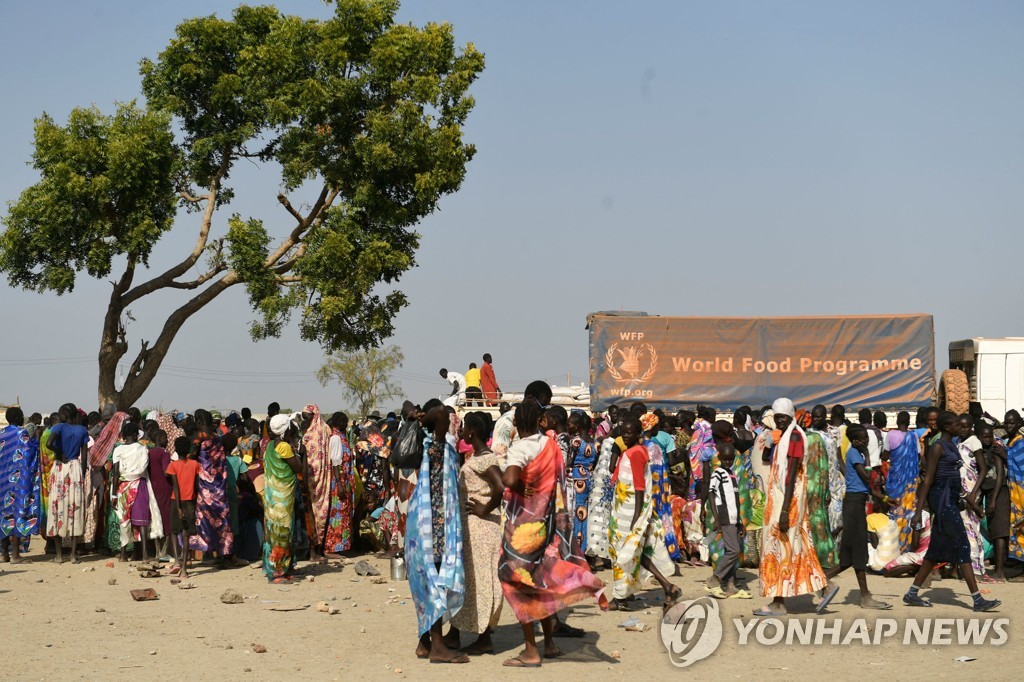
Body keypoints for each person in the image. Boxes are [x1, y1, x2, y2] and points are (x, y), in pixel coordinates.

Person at [498, 397, 607, 668]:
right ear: (540, 421)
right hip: (546, 523)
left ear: (516, 423)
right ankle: (550, 643)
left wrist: (507, 482)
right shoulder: (550, 444)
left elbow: (510, 480)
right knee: (540, 580)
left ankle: (530, 651)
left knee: (518, 582)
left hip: (523, 527)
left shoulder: (520, 449)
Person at [903, 411, 1000, 611]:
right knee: (963, 546)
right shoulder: (937, 447)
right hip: (942, 500)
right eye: (956, 424)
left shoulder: (951, 445)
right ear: (947, 427)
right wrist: (918, 511)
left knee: (935, 552)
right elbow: (928, 480)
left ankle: (912, 593)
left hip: (951, 499)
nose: (960, 427)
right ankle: (977, 599)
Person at [754, 398, 827, 617]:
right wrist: (772, 441)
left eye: (784, 418)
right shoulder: (783, 437)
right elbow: (768, 459)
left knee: (779, 547)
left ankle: (778, 602)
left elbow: (792, 474)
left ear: (792, 416)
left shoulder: (795, 437)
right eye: (777, 419)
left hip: (788, 501)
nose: (781, 422)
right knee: (795, 546)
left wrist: (785, 510)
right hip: (779, 499)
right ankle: (825, 587)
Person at [406, 404, 467, 664]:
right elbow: (441, 411)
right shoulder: (436, 446)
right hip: (435, 525)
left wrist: (416, 416)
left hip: (421, 522)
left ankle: (424, 643)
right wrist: (424, 416)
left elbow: (430, 412)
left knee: (424, 580)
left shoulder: (427, 446)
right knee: (435, 581)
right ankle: (439, 647)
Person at [608, 416, 681, 611]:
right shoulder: (629, 451)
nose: (625, 435)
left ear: (639, 434)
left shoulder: (637, 453)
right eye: (623, 432)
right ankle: (666, 588)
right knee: (633, 553)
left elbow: (640, 487)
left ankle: (621, 597)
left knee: (627, 553)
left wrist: (637, 516)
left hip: (631, 511)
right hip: (622, 511)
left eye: (629, 433)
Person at [818, 425, 892, 611]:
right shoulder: (854, 454)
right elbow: (867, 477)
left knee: (850, 555)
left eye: (866, 438)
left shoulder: (854, 454)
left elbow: (865, 487)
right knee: (857, 551)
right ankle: (864, 596)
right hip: (853, 505)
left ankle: (824, 579)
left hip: (856, 503)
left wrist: (883, 498)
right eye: (863, 439)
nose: (866, 442)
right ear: (855, 441)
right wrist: (868, 456)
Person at [449, 412, 504, 655]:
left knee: (481, 582)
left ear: (471, 432)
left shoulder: (485, 459)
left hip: (481, 528)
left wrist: (485, 508)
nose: (460, 432)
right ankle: (455, 632)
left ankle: (484, 637)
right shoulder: (478, 457)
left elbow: (500, 485)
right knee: (469, 581)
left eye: (463, 428)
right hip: (474, 528)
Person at [111, 421, 163, 562]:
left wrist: (114, 493)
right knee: (142, 521)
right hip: (139, 485)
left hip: (122, 487)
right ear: (135, 434)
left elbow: (115, 473)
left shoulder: (118, 450)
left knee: (124, 520)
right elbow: (143, 468)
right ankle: (145, 554)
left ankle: (123, 554)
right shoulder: (142, 449)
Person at [46, 403, 89, 563]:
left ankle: (58, 555)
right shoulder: (82, 430)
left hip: (60, 468)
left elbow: (49, 444)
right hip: (75, 469)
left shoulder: (59, 427)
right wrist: (82, 474)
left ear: (64, 414)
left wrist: (59, 453)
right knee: (75, 508)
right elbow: (84, 456)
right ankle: (73, 555)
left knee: (57, 507)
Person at [705, 443, 749, 598]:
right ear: (720, 459)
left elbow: (734, 499)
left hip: (734, 518)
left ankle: (730, 586)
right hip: (725, 517)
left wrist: (740, 521)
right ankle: (715, 579)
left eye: (731, 459)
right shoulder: (718, 473)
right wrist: (716, 517)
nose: (728, 462)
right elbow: (711, 493)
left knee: (734, 551)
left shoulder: (732, 475)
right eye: (725, 459)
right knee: (733, 550)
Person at [190, 410, 234, 565]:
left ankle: (208, 552)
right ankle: (225, 553)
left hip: (204, 485)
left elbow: (190, 458)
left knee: (205, 518)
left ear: (200, 421)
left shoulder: (198, 438)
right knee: (221, 518)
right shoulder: (218, 438)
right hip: (219, 485)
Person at [263, 415, 303, 583]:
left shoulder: (270, 446)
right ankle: (277, 573)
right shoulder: (284, 447)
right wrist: (301, 454)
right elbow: (297, 468)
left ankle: (282, 568)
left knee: (275, 532)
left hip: (273, 497)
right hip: (282, 498)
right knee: (282, 533)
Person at [0, 407, 41, 563]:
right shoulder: (21, 433)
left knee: (4, 514)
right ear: (19, 417)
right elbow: (29, 453)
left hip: (2, 481)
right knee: (18, 512)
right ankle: (15, 554)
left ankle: (4, 553)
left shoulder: (2, 434)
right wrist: (36, 440)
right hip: (17, 482)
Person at [955, 414, 987, 577]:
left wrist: (973, 492)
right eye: (959, 426)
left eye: (965, 426)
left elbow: (983, 468)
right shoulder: (959, 442)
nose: (962, 429)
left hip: (971, 487)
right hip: (961, 490)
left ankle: (976, 567)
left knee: (972, 527)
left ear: (971, 427)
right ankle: (966, 567)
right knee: (964, 527)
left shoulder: (974, 442)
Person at [977, 423, 1009, 581]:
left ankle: (999, 572)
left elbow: (1000, 477)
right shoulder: (980, 452)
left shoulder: (995, 452)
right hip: (989, 494)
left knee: (999, 533)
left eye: (990, 436)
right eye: (984, 437)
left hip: (999, 493)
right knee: (994, 530)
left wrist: (993, 501)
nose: (988, 439)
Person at [301, 403, 332, 563]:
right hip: (310, 476)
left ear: (314, 415)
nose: (304, 419)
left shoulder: (324, 429)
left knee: (320, 510)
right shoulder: (315, 430)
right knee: (312, 511)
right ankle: (313, 547)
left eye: (306, 416)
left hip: (321, 477)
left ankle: (318, 547)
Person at [166, 436, 200, 579]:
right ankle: (185, 569)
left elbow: (175, 486)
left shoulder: (173, 466)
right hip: (190, 502)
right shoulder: (195, 464)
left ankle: (177, 562)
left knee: (174, 532)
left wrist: (178, 507)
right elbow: (197, 486)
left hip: (176, 501)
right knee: (186, 535)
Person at [324, 412, 355, 556]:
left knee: (343, 514)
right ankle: (333, 546)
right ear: (339, 422)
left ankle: (341, 545)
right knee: (337, 514)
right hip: (338, 482)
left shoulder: (342, 437)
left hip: (345, 481)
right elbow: (335, 463)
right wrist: (340, 484)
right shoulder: (336, 438)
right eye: (344, 422)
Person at [566, 411, 596, 554]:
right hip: (589, 478)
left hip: (577, 478)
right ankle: (585, 546)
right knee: (585, 513)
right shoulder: (594, 442)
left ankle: (577, 549)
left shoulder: (576, 441)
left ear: (577, 426)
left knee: (577, 513)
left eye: (570, 424)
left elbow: (569, 461)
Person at [1002, 410, 1024, 570]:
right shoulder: (1007, 442)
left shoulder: (1020, 443)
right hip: (1013, 490)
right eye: (1006, 422)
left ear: (1018, 424)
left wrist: (1005, 455)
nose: (1008, 426)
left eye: (1012, 423)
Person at [148, 430, 173, 561]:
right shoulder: (164, 454)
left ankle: (158, 551)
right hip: (165, 488)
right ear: (159, 438)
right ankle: (164, 552)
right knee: (167, 519)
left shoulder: (149, 453)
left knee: (155, 518)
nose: (167, 441)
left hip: (152, 488)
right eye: (165, 438)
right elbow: (166, 472)